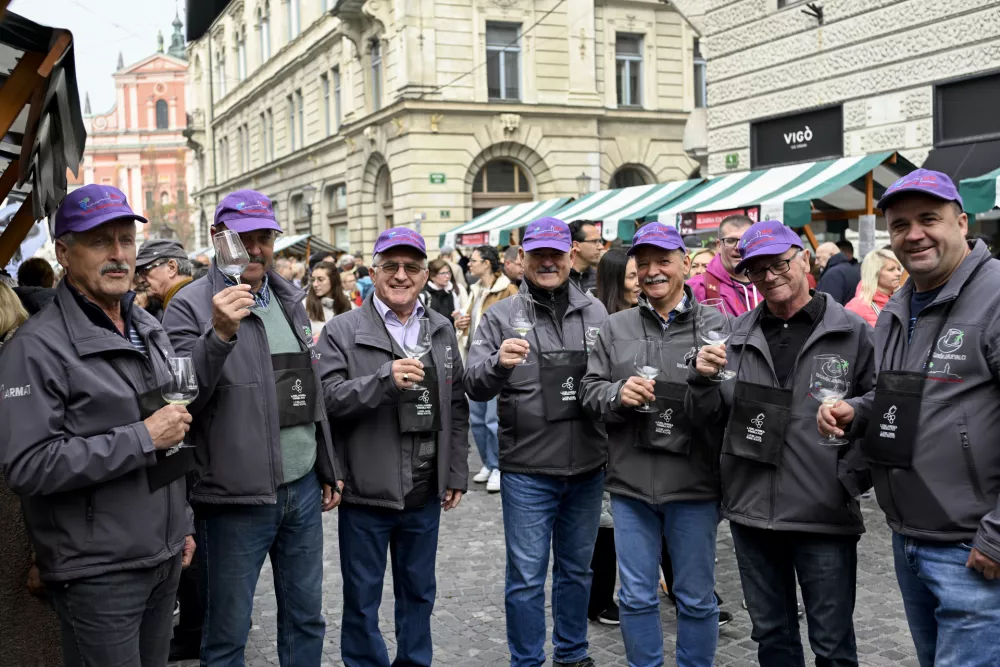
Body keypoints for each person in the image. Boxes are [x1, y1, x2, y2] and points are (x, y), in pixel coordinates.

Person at [0, 184, 196, 667]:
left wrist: (182, 525)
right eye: (99, 241)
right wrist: (141, 437)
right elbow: (27, 466)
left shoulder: (147, 326)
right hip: (98, 574)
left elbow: (170, 432)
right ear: (63, 252)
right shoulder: (34, 348)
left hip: (162, 558)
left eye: (126, 240)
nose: (118, 255)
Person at [819, 170, 1000, 667]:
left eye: (929, 219)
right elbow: (898, 396)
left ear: (962, 222)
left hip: (973, 547)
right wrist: (855, 411)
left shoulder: (996, 295)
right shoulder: (902, 304)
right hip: (911, 536)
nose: (914, 234)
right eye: (900, 225)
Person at [162, 189, 342, 667]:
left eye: (265, 237)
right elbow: (180, 402)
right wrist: (218, 335)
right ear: (220, 238)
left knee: (306, 619)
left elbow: (310, 389)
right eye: (246, 238)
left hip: (300, 489)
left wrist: (325, 462)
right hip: (233, 499)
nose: (257, 249)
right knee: (226, 632)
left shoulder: (288, 298)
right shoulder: (188, 306)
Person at [689, 220, 875, 667]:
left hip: (822, 512)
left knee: (832, 645)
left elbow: (882, 401)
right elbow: (707, 420)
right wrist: (699, 380)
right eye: (756, 270)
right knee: (772, 639)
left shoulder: (852, 330)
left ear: (804, 260)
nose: (770, 276)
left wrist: (850, 467)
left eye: (779, 264)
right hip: (753, 513)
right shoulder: (733, 336)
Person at [316, 227, 469, 667]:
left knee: (419, 592)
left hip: (424, 489)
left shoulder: (439, 328)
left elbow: (455, 405)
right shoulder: (343, 330)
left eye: (411, 267)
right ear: (373, 271)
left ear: (424, 275)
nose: (401, 275)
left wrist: (454, 470)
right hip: (368, 489)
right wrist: (382, 381)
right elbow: (326, 401)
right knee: (362, 599)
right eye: (391, 266)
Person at [465, 217, 609, 667]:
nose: (548, 262)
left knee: (576, 572)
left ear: (570, 256)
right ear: (522, 259)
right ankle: (526, 661)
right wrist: (499, 366)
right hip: (527, 469)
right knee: (526, 578)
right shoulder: (501, 316)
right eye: (538, 254)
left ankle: (572, 656)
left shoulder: (596, 312)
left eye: (556, 253)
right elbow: (473, 383)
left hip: (587, 467)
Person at [581, 222, 725, 667]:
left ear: (685, 263)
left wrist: (707, 378)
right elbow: (589, 391)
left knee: (697, 598)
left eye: (663, 261)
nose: (652, 272)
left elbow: (731, 406)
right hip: (631, 484)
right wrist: (616, 393)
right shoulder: (615, 325)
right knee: (636, 596)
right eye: (643, 265)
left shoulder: (716, 323)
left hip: (694, 485)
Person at [584, 247, 638, 628]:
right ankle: (600, 598)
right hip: (603, 434)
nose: (641, 283)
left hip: (637, 433)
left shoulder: (643, 318)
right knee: (604, 523)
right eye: (634, 276)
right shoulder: (601, 321)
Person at [457, 244, 518, 492]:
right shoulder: (476, 290)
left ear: (487, 263)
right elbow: (473, 324)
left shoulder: (508, 290)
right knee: (477, 420)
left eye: (473, 260)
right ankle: (487, 462)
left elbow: (516, 326)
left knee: (494, 420)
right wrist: (461, 322)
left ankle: (498, 467)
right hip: (475, 360)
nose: (469, 264)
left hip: (496, 362)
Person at [687, 215, 761, 316]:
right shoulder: (695, 287)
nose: (738, 247)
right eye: (731, 240)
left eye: (745, 240)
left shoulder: (771, 283)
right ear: (719, 245)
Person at [844, 248, 903, 327]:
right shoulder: (856, 307)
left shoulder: (902, 303)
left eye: (899, 269)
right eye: (891, 269)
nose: (898, 273)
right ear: (875, 273)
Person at [135, 239, 195, 314]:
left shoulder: (181, 307)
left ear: (172, 267)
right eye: (139, 273)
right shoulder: (192, 299)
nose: (140, 280)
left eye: (145, 270)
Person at [305, 260, 353, 340]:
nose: (315, 284)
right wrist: (315, 339)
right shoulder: (304, 305)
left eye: (320, 279)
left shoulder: (349, 304)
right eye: (313, 280)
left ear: (333, 280)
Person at [419, 257, 467, 324]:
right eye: (443, 273)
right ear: (432, 276)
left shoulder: (452, 293)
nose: (447, 276)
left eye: (448, 272)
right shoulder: (423, 295)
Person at [593, 248, 639, 314]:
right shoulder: (592, 317)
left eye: (639, 275)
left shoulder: (647, 313)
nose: (639, 283)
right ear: (612, 281)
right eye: (631, 277)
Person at [816, 240, 861, 306]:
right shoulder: (853, 270)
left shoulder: (832, 274)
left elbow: (828, 307)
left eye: (818, 258)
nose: (816, 262)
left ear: (832, 255)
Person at [569, 219, 603, 293]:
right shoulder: (559, 279)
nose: (601, 247)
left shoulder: (600, 279)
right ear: (576, 245)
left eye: (600, 241)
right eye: (594, 241)